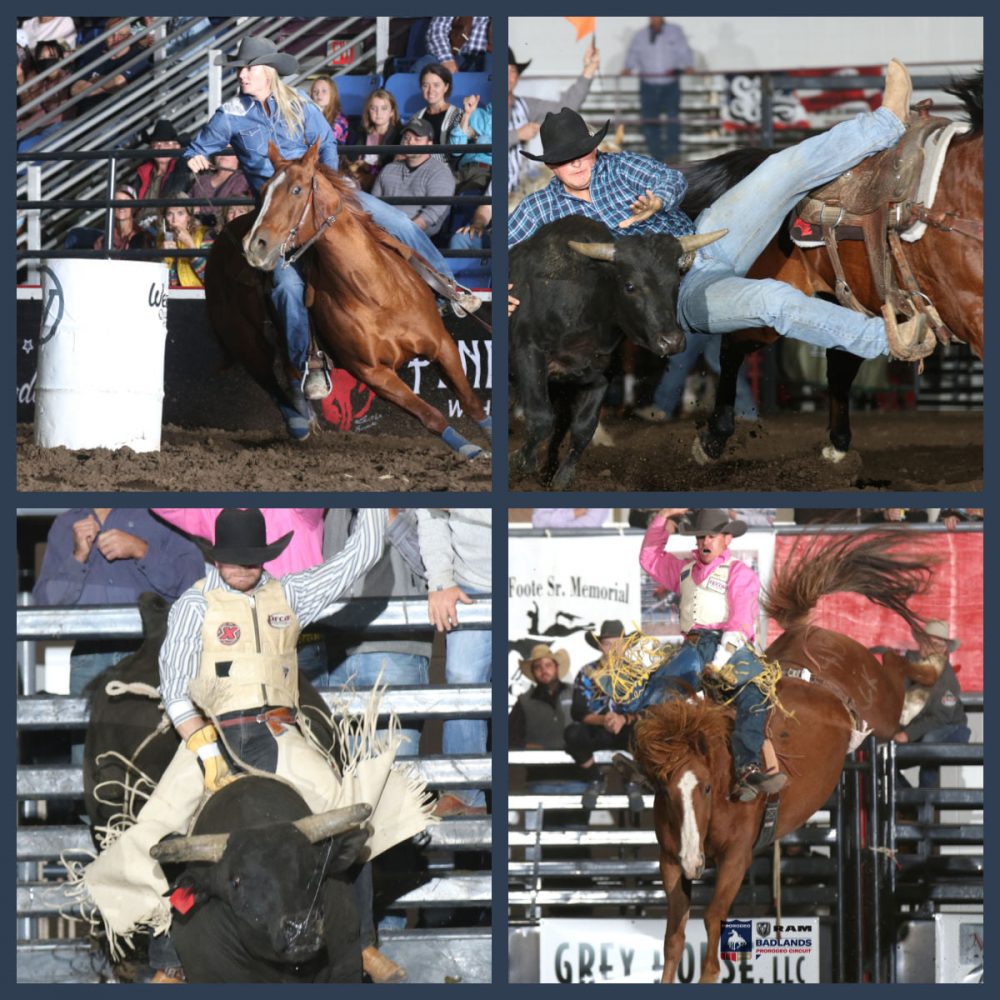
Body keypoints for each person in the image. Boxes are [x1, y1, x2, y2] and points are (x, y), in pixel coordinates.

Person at [77, 508, 427, 983]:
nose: (242, 569)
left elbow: (355, 558)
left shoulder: (291, 593)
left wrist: (369, 502)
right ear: (217, 558)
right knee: (157, 835)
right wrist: (204, 751)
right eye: (233, 560)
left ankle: (361, 941)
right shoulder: (194, 605)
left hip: (280, 733)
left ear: (265, 558)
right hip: (211, 735)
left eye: (250, 560)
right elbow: (175, 688)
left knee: (354, 817)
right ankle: (168, 960)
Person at [508, 61, 935, 362]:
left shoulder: (619, 165)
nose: (578, 163)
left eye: (583, 152)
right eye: (566, 159)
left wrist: (658, 200)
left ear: (594, 147)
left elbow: (671, 180)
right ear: (551, 167)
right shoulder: (541, 207)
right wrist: (505, 291)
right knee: (774, 301)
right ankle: (887, 340)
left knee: (779, 169)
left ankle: (886, 123)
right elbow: (508, 249)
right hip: (675, 300)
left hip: (705, 238)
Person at [182, 36, 480, 404]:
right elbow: (197, 149)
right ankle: (307, 366)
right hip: (278, 209)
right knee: (287, 288)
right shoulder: (231, 114)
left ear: (268, 72)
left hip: (322, 196)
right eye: (240, 69)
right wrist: (195, 158)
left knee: (400, 224)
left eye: (248, 68)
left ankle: (447, 286)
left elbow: (326, 143)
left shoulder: (299, 104)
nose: (241, 74)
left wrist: (327, 186)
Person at [636, 508, 787, 800]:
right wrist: (663, 519)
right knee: (657, 693)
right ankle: (649, 766)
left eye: (712, 536)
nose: (705, 541)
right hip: (692, 646)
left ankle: (747, 767)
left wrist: (718, 663)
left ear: (726, 539)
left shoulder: (739, 573)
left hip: (728, 647)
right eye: (701, 535)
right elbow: (649, 558)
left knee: (755, 695)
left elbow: (740, 623)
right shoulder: (683, 570)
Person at [416, 508, 492, 816]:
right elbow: (432, 513)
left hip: (519, 579)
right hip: (469, 584)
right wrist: (440, 581)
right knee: (461, 677)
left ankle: (471, 793)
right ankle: (464, 792)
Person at [562, 621, 642, 811]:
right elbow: (578, 711)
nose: (612, 649)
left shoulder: (638, 674)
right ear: (600, 646)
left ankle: (633, 780)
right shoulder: (587, 672)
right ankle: (595, 777)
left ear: (625, 645)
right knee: (572, 734)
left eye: (617, 644)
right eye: (607, 644)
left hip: (628, 730)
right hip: (597, 730)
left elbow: (648, 709)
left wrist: (624, 719)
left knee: (648, 732)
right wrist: (603, 720)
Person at [508, 42, 599, 194]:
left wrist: (589, 70)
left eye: (511, 71)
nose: (508, 77)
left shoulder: (525, 106)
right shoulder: (487, 107)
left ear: (517, 75)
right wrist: (517, 135)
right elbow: (484, 142)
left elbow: (566, 107)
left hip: (516, 189)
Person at [889, 620, 971, 788]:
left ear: (944, 650)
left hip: (952, 728)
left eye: (935, 644)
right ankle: (910, 803)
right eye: (926, 642)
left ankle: (927, 803)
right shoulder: (907, 667)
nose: (929, 648)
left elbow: (940, 718)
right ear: (920, 643)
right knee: (884, 758)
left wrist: (907, 735)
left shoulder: (948, 679)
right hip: (917, 729)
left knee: (931, 741)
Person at [622, 16, 693, 162]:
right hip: (648, 84)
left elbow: (684, 51)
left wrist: (688, 65)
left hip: (670, 82)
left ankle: (673, 154)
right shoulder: (640, 35)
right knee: (649, 121)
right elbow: (633, 54)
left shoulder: (675, 32)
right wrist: (628, 67)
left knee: (672, 119)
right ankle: (657, 156)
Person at [372, 117, 456, 237]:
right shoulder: (388, 169)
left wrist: (401, 235)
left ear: (429, 144)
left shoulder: (441, 172)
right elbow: (373, 206)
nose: (410, 142)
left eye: (417, 139)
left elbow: (431, 215)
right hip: (381, 235)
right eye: (406, 138)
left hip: (415, 238)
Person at [133, 118, 194, 232]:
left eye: (166, 144)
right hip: (139, 227)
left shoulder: (184, 169)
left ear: (176, 147)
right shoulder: (143, 171)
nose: (160, 148)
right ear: (151, 148)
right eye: (157, 144)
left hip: (167, 227)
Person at [509, 644, 573, 749]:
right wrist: (529, 746)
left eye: (548, 665)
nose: (543, 671)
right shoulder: (524, 702)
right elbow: (508, 736)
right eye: (537, 667)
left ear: (557, 668)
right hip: (537, 763)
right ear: (533, 673)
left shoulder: (575, 692)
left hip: (577, 761)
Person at [156, 197, 213, 288]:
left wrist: (191, 246)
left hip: (201, 295)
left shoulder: (205, 235)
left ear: (189, 217)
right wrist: (162, 257)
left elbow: (213, 279)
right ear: (164, 218)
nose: (174, 220)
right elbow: (161, 282)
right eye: (169, 214)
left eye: (180, 213)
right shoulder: (161, 239)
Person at [188, 151, 251, 229]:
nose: (224, 153)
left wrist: (199, 214)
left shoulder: (242, 179)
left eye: (229, 150)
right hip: (195, 230)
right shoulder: (202, 179)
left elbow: (228, 210)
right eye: (221, 148)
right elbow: (187, 205)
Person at [353, 87, 403, 186]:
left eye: (384, 108)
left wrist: (368, 167)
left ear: (392, 112)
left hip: (383, 182)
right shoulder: (363, 133)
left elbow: (392, 169)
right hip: (360, 178)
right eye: (373, 108)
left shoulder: (399, 135)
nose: (378, 113)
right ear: (368, 111)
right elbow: (354, 159)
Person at [412, 62, 461, 156]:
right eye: (425, 85)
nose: (430, 90)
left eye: (436, 85)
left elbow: (455, 152)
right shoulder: (416, 117)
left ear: (446, 87)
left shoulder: (457, 114)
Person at [93, 183, 155, 252]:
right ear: (111, 208)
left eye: (126, 201)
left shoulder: (144, 238)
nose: (121, 206)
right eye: (117, 201)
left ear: (134, 208)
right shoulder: (102, 241)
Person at [449, 94, 492, 193]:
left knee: (467, 198)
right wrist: (467, 114)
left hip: (486, 170)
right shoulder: (476, 113)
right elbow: (456, 150)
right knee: (439, 192)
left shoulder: (514, 119)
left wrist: (476, 137)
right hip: (463, 168)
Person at [421, 16, 491, 74]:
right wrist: (447, 59)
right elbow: (437, 30)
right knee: (424, 65)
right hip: (457, 56)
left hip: (489, 58)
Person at [310, 74, 350, 143]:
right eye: (315, 91)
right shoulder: (308, 115)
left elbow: (326, 140)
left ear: (332, 94)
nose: (319, 94)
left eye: (324, 91)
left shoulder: (340, 119)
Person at [531, 508, 610, 528]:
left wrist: (554, 522)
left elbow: (590, 525)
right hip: (550, 552)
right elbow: (539, 521)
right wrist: (573, 514)